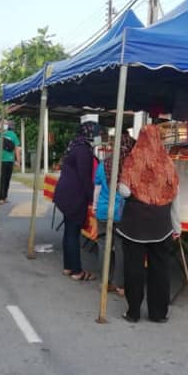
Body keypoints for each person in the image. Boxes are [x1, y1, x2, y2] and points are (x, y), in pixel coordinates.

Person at [116, 124, 180, 323]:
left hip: (136, 222)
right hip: (161, 223)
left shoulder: (133, 160)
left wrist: (133, 187)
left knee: (134, 268)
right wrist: (177, 226)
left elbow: (124, 191)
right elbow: (175, 195)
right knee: (160, 269)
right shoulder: (167, 163)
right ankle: (158, 313)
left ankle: (133, 312)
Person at [53, 122, 97, 281]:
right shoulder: (84, 150)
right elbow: (85, 178)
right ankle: (77, 271)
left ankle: (68, 267)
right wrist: (93, 198)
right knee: (73, 233)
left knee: (69, 232)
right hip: (74, 195)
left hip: (65, 193)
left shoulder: (74, 145)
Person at [96, 131, 135, 291]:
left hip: (103, 211)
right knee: (120, 248)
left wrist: (96, 207)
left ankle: (104, 281)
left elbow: (97, 189)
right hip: (122, 213)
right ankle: (119, 284)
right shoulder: (131, 168)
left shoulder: (103, 164)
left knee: (103, 245)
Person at [0, 120, 20, 204]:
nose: (5, 125)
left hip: (10, 160)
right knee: (2, 179)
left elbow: (17, 148)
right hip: (0, 160)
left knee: (7, 179)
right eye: (2, 123)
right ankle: (1, 197)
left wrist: (18, 160)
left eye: (6, 123)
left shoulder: (12, 134)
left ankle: (5, 196)